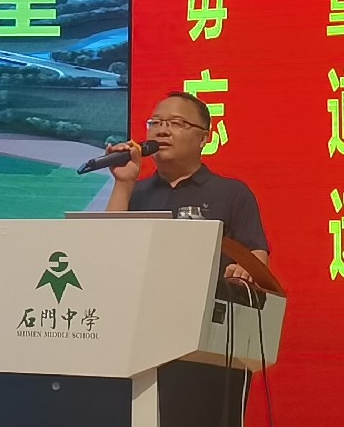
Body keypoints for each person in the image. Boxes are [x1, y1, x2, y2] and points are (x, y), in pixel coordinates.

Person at [104, 91, 268, 287]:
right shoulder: (134, 191)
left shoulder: (231, 192)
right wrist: (123, 183)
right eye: (155, 123)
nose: (162, 131)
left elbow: (256, 254)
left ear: (203, 138)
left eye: (176, 123)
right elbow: (107, 250)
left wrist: (245, 270)